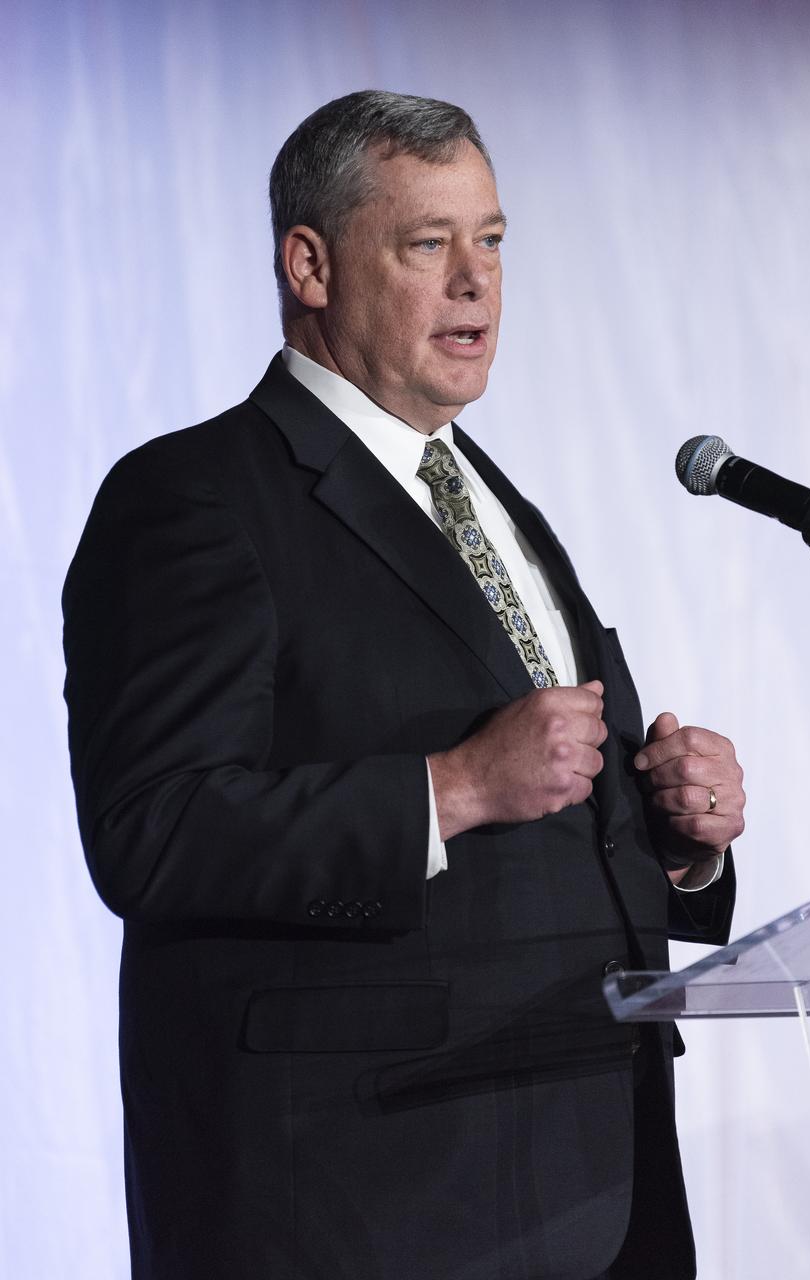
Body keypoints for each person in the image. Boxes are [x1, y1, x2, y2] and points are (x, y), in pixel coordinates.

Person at [62, 90, 745, 1280]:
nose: (475, 283)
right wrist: (447, 788)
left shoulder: (487, 494)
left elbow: (556, 808)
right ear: (310, 264)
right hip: (361, 1201)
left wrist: (675, 836)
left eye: (489, 239)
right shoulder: (192, 498)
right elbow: (151, 830)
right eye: (427, 243)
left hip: (594, 1172)